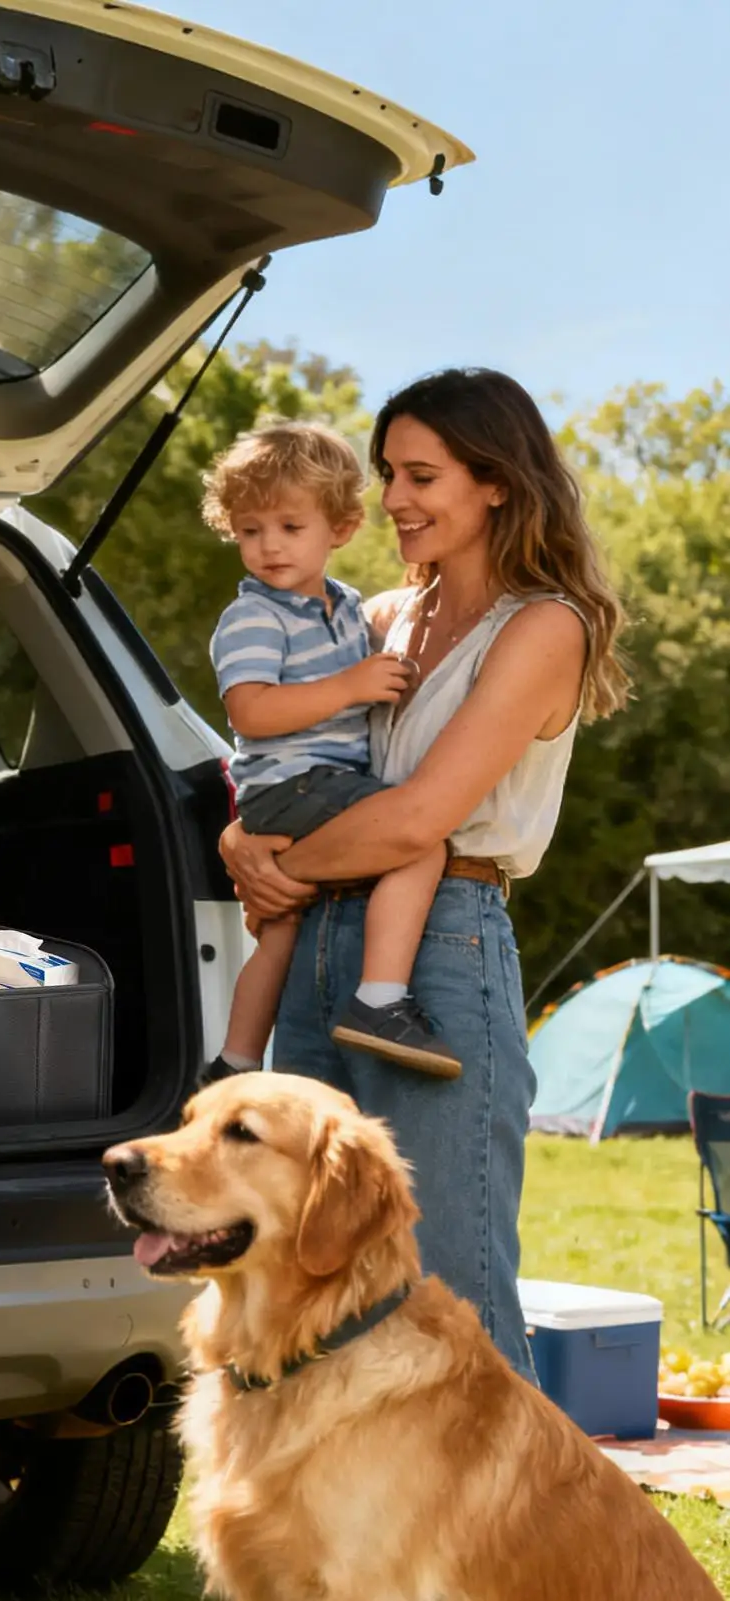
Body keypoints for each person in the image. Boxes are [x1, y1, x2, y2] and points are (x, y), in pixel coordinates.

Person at [216, 368, 627, 1382]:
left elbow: (415, 817)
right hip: (320, 943)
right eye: (387, 473)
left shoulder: (541, 626)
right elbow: (280, 755)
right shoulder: (377, 617)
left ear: (493, 481)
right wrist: (238, 842)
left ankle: (514, 1540)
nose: (391, 497)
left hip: (436, 946)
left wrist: (280, 872)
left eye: (418, 474)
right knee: (306, 1267)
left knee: (449, 1291)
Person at [202, 420, 459, 1085]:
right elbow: (250, 710)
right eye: (250, 529)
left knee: (280, 929)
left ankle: (231, 1061)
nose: (268, 546)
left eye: (290, 527)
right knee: (419, 841)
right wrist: (351, 685)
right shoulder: (255, 616)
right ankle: (380, 998)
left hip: (306, 786)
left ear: (339, 528)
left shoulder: (347, 607)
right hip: (293, 782)